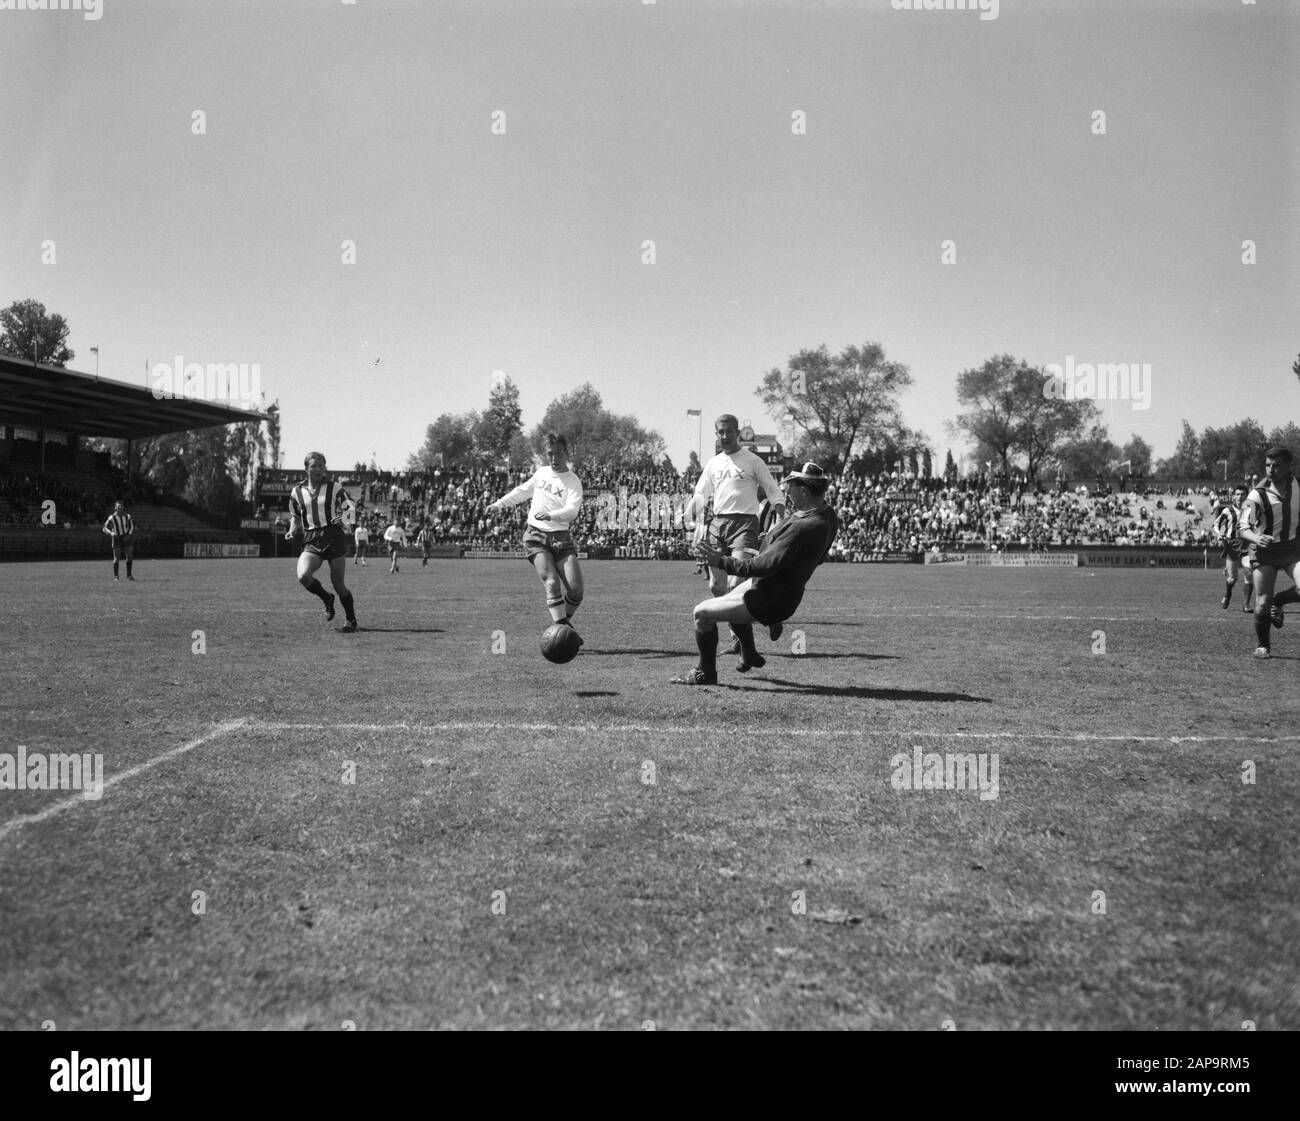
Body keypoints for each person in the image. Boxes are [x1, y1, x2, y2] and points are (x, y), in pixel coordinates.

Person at [673, 462, 838, 685]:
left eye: (789, 487)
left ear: (804, 491)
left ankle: (706, 674)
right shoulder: (827, 515)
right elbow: (813, 555)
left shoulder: (805, 527)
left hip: (770, 595)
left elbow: (762, 566)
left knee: (701, 614)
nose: (787, 492)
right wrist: (774, 545)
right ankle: (749, 653)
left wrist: (720, 561)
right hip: (779, 590)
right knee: (729, 594)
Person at [684, 414, 785, 666]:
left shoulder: (752, 460)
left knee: (735, 583)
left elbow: (772, 488)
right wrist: (689, 511)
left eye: (729, 431)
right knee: (716, 586)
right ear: (716, 434)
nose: (725, 436)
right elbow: (701, 493)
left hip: (745, 525)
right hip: (718, 524)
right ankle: (745, 635)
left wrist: (780, 512)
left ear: (737, 433)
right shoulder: (713, 463)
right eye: (721, 432)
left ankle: (756, 630)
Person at [487, 432, 585, 639]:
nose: (554, 458)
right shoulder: (541, 473)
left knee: (576, 590)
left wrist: (551, 514)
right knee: (552, 582)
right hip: (536, 535)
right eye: (550, 453)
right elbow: (522, 491)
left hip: (561, 537)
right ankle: (564, 633)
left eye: (558, 452)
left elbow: (572, 511)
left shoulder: (573, 481)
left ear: (566, 453)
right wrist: (499, 504)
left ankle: (563, 626)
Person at [1238, 446, 1300, 658]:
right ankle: (1263, 645)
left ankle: (1279, 600)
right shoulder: (1257, 494)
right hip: (1264, 550)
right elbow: (1242, 528)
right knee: (1263, 602)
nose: (1270, 470)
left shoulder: (1297, 485)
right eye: (1267, 465)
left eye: (1276, 466)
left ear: (1289, 467)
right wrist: (1257, 538)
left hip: (1292, 548)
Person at [286, 452, 359, 632]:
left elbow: (350, 507)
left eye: (321, 466)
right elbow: (295, 516)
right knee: (303, 576)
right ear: (306, 469)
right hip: (311, 538)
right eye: (314, 466)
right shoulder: (296, 492)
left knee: (338, 583)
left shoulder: (334, 487)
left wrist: (344, 520)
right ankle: (327, 598)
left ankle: (351, 620)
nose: (319, 469)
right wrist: (292, 529)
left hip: (333, 536)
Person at [1211, 486, 1252, 611]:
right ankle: (1227, 594)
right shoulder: (1227, 510)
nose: (1240, 497)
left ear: (1246, 496)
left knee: (1249, 572)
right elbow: (1216, 525)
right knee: (1232, 578)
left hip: (1247, 544)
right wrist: (1219, 534)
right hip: (1232, 545)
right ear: (1233, 496)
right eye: (1238, 494)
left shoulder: (1251, 510)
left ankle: (1246, 605)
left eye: (1242, 494)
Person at [102, 500, 135, 581]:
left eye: (121, 506)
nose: (120, 507)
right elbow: (104, 528)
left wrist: (129, 535)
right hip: (116, 538)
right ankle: (116, 576)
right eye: (118, 506)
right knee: (116, 558)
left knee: (129, 557)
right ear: (115, 508)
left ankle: (129, 575)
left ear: (123, 507)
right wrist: (111, 533)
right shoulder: (112, 517)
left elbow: (131, 527)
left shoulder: (127, 516)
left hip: (126, 537)